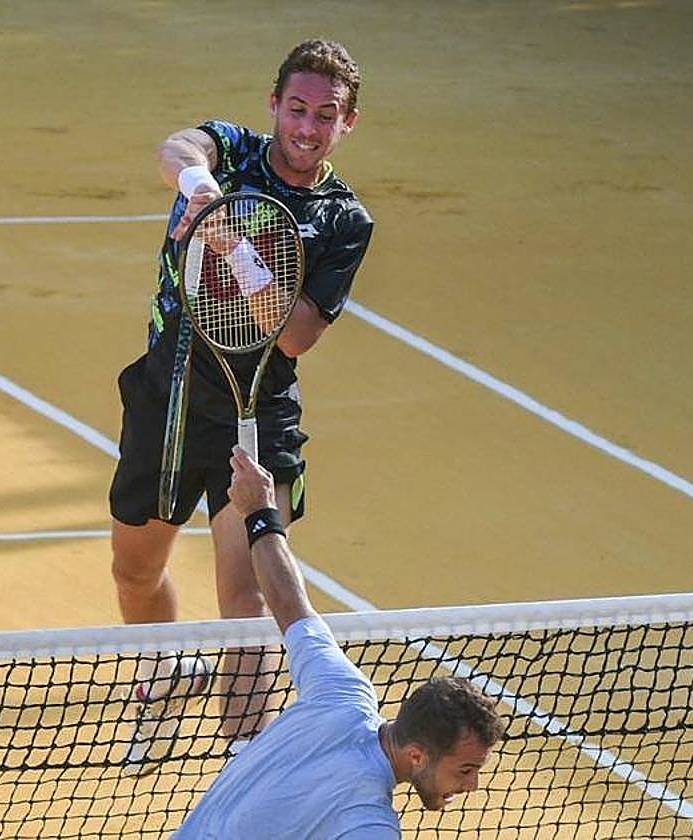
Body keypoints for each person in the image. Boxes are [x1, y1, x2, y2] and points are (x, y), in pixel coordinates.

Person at [110, 38, 375, 767]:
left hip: (256, 409)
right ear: (274, 105)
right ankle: (163, 675)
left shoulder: (344, 220)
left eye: (327, 115)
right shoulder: (232, 152)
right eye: (297, 109)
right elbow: (178, 145)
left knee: (247, 597)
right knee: (134, 572)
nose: (307, 127)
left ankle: (243, 768)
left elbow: (293, 337)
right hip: (168, 393)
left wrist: (240, 253)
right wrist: (198, 182)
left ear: (347, 123)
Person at [172, 448, 506, 838]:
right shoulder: (366, 822)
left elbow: (288, 603)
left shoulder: (342, 692)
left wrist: (259, 512)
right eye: (465, 769)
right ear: (417, 756)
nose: (472, 785)